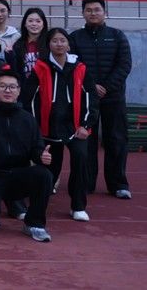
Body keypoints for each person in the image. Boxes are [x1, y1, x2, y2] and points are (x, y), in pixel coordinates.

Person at [0, 70, 55, 242]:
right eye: (3, 86)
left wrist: (41, 156)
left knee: (44, 175)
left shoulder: (28, 119)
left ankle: (34, 224)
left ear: (19, 91)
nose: (8, 90)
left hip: (18, 174)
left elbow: (37, 148)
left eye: (12, 87)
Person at [23, 28, 97, 221]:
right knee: (50, 167)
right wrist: (35, 128)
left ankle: (78, 206)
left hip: (76, 127)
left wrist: (85, 125)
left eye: (62, 40)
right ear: (48, 44)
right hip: (49, 128)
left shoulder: (80, 68)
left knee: (80, 159)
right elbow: (30, 100)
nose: (59, 44)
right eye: (55, 40)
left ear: (68, 44)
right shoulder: (40, 67)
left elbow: (90, 98)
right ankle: (40, 203)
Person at [69, 0, 132, 199]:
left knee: (116, 139)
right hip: (86, 98)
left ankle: (118, 184)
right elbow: (73, 65)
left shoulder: (117, 35)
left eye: (97, 10)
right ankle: (87, 183)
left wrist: (106, 86)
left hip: (114, 97)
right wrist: (91, 86)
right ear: (83, 13)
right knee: (87, 140)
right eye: (88, 10)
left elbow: (124, 65)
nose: (93, 13)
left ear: (105, 12)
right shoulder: (75, 38)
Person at [11, 7, 48, 85]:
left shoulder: (49, 44)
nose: (34, 24)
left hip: (45, 85)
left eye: (38, 21)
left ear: (43, 24)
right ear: (25, 24)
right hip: (25, 86)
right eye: (30, 21)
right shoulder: (18, 45)